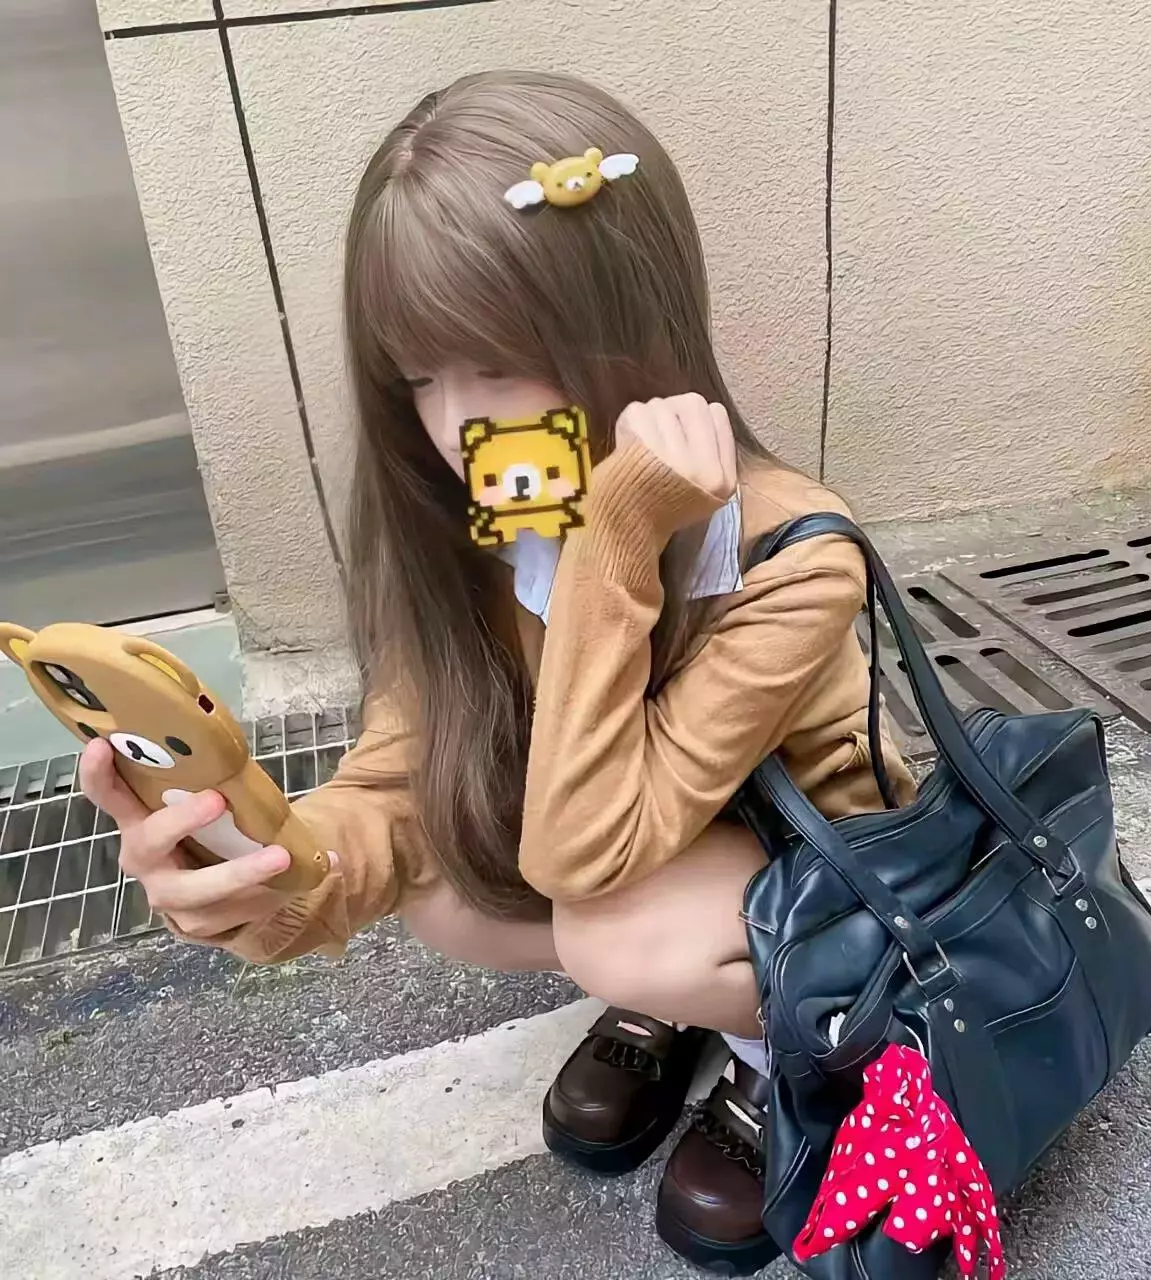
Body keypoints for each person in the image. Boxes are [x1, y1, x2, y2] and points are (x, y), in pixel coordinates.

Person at [79, 70, 913, 1276]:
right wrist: (260, 873)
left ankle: (792, 1047)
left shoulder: (790, 552)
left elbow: (584, 855)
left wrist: (613, 543)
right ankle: (680, 997)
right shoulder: (490, 526)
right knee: (446, 890)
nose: (455, 425)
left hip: (831, 879)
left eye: (498, 365)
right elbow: (399, 778)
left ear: (630, 329)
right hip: (642, 841)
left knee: (617, 931)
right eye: (418, 376)